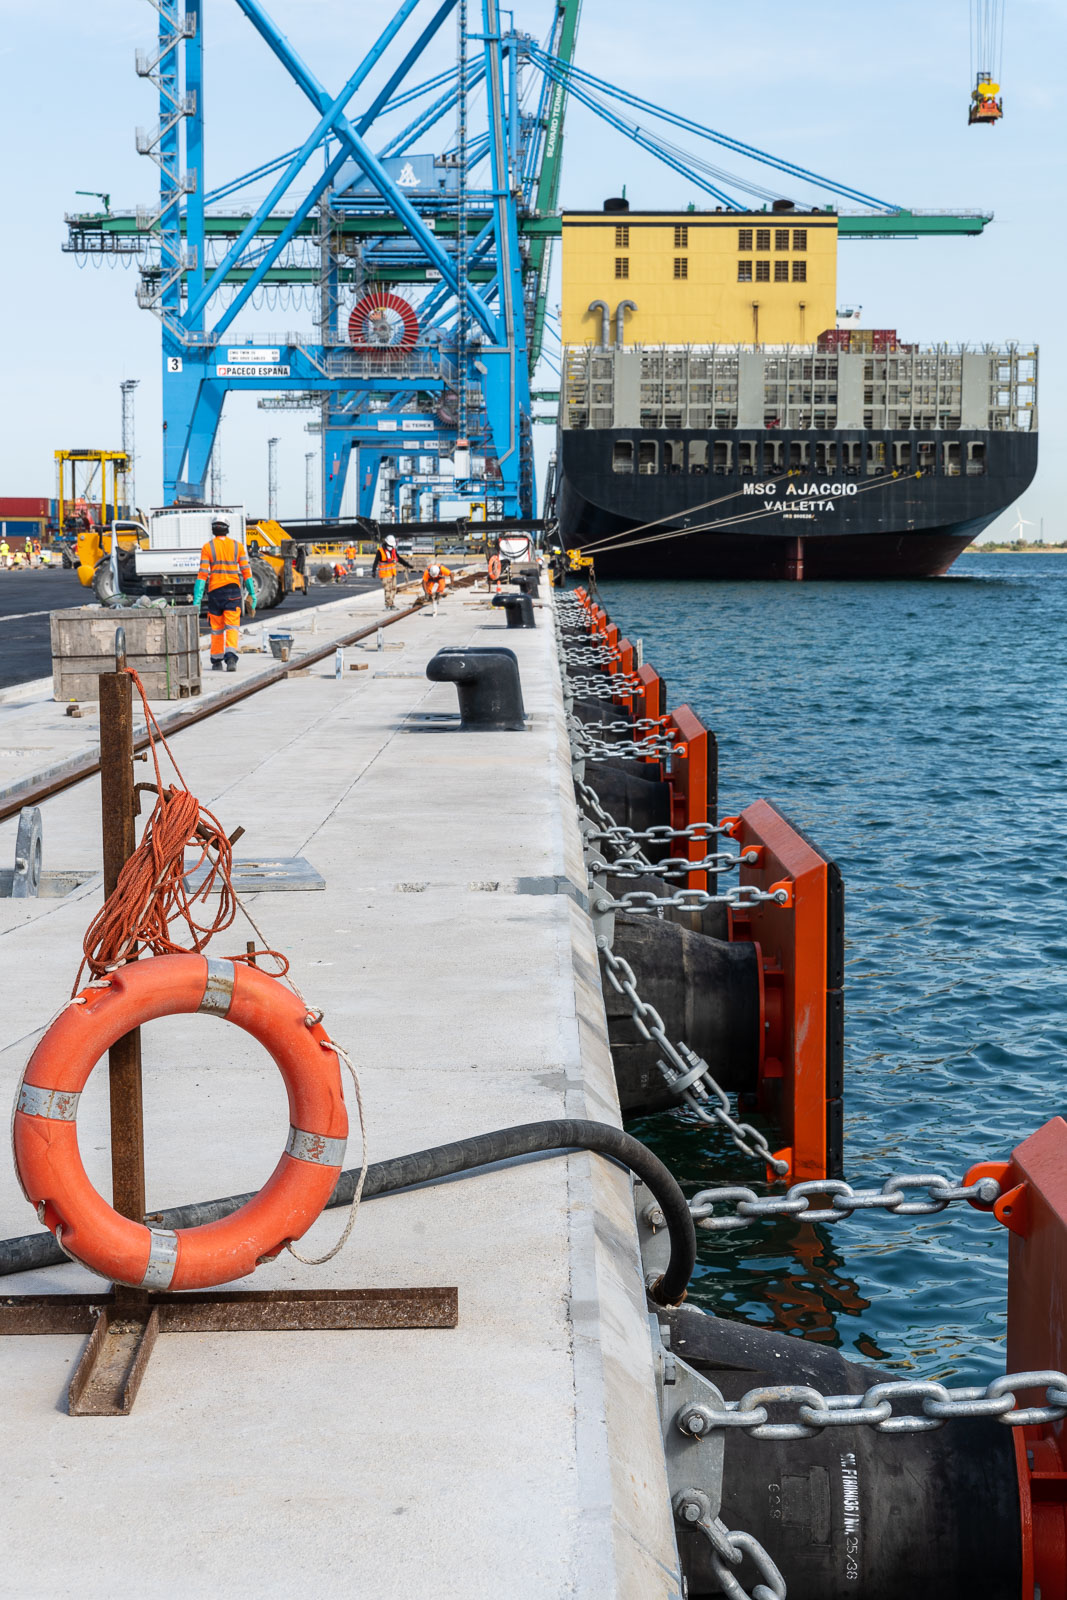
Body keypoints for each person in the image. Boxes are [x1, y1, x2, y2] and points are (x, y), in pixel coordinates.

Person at [193, 517, 256, 672]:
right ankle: (231, 659)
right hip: (233, 591)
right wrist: (252, 594)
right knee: (232, 626)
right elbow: (246, 573)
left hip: (215, 592)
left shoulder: (208, 548)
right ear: (227, 529)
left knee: (216, 628)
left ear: (213, 529)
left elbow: (202, 575)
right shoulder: (238, 547)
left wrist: (197, 600)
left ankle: (216, 661)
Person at [372, 534, 413, 610]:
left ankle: (391, 604)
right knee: (388, 589)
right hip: (385, 574)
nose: (391, 547)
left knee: (394, 588)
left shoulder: (393, 551)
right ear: (386, 543)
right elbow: (375, 561)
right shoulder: (380, 551)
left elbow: (399, 559)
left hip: (392, 573)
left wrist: (407, 565)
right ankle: (388, 605)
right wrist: (373, 571)